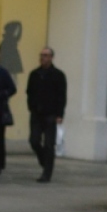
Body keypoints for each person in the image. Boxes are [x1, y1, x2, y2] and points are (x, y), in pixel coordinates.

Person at [26, 47, 67, 183]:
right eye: (41, 55)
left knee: (49, 144)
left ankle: (46, 173)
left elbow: (62, 96)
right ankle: (44, 159)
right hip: (36, 113)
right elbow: (29, 92)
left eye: (45, 55)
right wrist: (31, 107)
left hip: (51, 113)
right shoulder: (35, 74)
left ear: (51, 57)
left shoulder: (58, 75)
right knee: (34, 140)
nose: (42, 57)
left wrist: (60, 114)